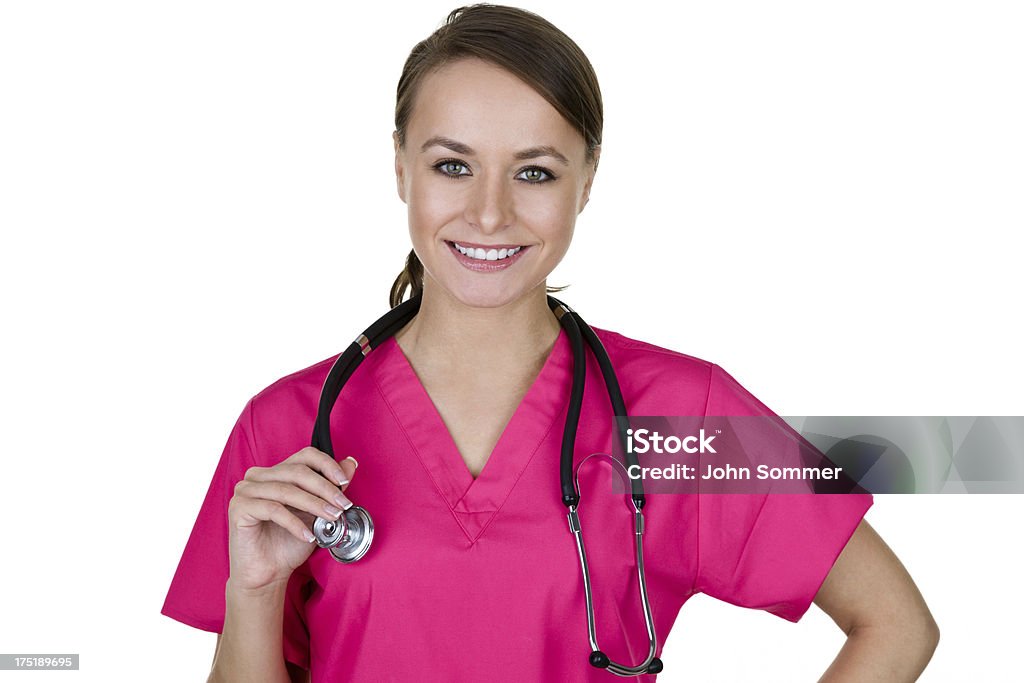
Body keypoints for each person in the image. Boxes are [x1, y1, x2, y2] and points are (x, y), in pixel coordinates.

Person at [161, 5, 939, 681]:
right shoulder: (285, 427)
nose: (490, 213)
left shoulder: (681, 413)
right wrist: (256, 592)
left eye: (534, 173)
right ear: (400, 165)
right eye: (452, 164)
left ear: (588, 179)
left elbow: (896, 625)